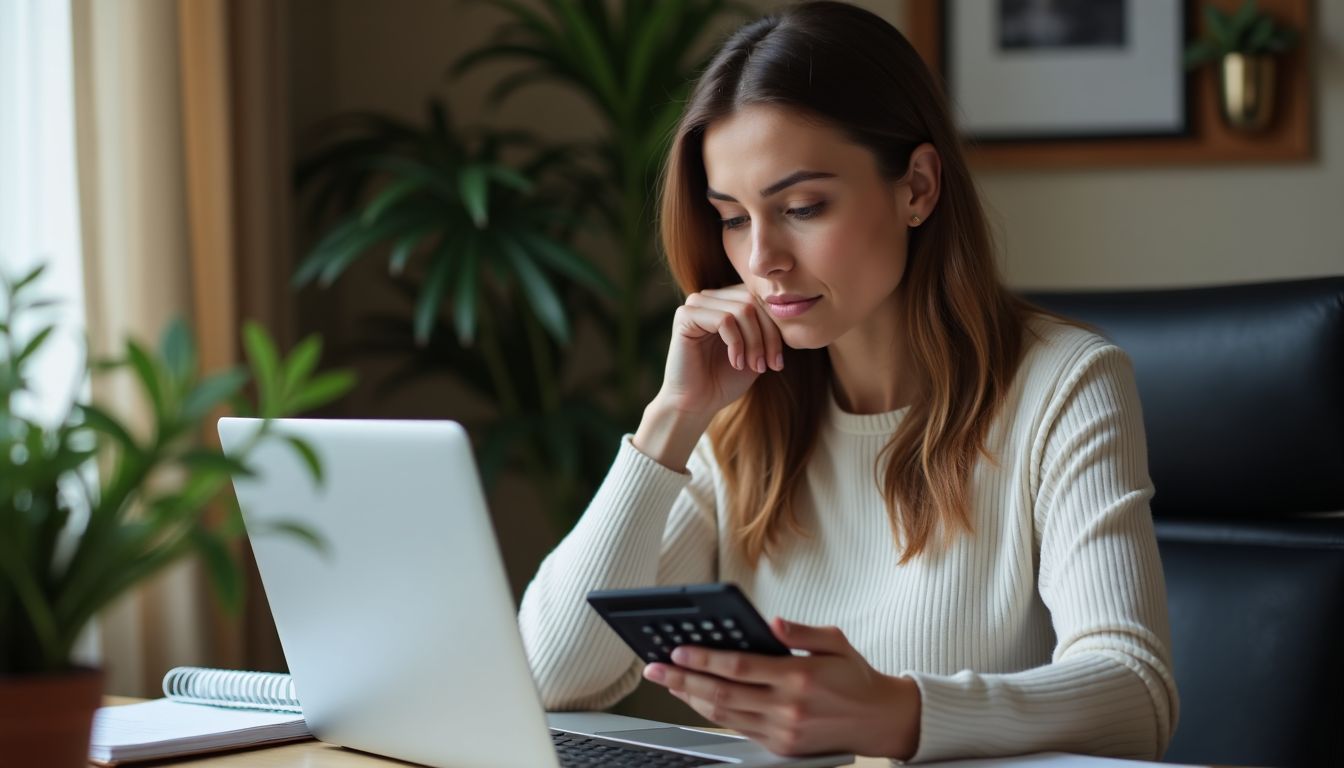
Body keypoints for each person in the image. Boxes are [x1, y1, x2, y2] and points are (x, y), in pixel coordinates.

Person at [517, 1, 1178, 762]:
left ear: (918, 188)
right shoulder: (737, 408)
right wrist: (671, 420)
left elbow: (1136, 693)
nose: (762, 258)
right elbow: (547, 676)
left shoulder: (1063, 385)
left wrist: (896, 714)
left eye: (801, 207)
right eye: (733, 217)